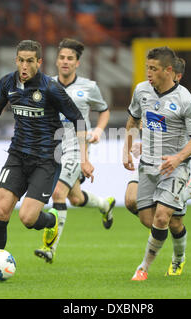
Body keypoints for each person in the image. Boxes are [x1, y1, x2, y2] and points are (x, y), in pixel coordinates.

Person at [0, 40, 94, 282]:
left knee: (27, 218)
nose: (24, 66)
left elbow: (78, 120)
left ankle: (51, 220)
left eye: (30, 61)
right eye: (21, 60)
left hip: (46, 160)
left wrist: (84, 158)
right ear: (16, 60)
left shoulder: (51, 88)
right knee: (1, 210)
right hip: (17, 155)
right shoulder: (7, 82)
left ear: (39, 62)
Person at [123, 47, 191, 281]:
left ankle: (144, 267)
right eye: (147, 68)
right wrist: (126, 149)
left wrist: (178, 158)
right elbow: (133, 119)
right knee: (156, 220)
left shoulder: (185, 101)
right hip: (148, 165)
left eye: (153, 69)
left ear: (168, 71)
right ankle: (189, 191)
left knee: (162, 217)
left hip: (175, 167)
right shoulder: (141, 91)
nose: (148, 73)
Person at [33, 38, 115, 264]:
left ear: (78, 63)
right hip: (51, 147)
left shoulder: (89, 87)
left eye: (70, 58)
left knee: (58, 193)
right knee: (76, 198)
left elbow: (104, 110)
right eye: (62, 57)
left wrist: (98, 130)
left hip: (76, 147)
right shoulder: (46, 84)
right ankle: (104, 204)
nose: (65, 61)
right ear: (56, 61)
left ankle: (50, 247)